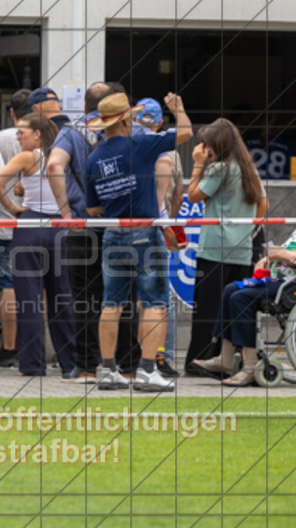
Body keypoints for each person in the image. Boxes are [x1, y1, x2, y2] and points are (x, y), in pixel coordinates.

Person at [84, 92, 193, 391]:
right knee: (156, 302)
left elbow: (92, 209)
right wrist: (178, 110)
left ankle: (107, 370)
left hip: (113, 233)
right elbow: (185, 134)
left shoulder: (94, 158)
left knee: (112, 303)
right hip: (144, 231)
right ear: (128, 120)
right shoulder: (140, 144)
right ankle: (146, 371)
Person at [196, 180, 296, 386]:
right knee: (230, 289)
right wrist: (268, 258)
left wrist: (279, 253)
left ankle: (249, 366)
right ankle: (226, 358)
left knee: (241, 298)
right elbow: (289, 253)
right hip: (281, 279)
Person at [47, 81, 133, 382]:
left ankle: (85, 367)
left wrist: (66, 211)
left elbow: (54, 166)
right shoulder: (129, 129)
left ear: (85, 107)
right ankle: (129, 365)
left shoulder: (71, 132)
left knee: (85, 298)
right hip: (121, 224)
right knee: (123, 295)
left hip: (82, 225)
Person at [0, 111, 77, 377]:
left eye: (22, 132)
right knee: (62, 297)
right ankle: (70, 363)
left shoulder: (28, 157)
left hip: (30, 227)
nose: (18, 137)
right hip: (59, 229)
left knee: (29, 300)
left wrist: (13, 208)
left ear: (37, 134)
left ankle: (32, 364)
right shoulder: (60, 156)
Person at [183, 118, 267, 375]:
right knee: (230, 308)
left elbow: (194, 195)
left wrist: (198, 164)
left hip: (215, 249)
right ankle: (226, 358)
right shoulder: (249, 169)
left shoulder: (221, 169)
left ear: (216, 145)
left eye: (205, 145)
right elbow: (264, 206)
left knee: (207, 309)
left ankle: (199, 360)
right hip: (241, 250)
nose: (203, 150)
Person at [135, 97, 184, 379]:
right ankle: (160, 357)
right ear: (159, 122)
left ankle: (138, 355)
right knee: (161, 296)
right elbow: (178, 194)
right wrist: (170, 222)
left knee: (134, 296)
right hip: (161, 226)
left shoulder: (131, 146)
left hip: (134, 226)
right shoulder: (170, 152)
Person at [0, 88, 31, 368]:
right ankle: (25, 344)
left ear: (11, 112)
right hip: (30, 221)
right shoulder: (42, 140)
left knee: (3, 287)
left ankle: (6, 347)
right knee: (29, 287)